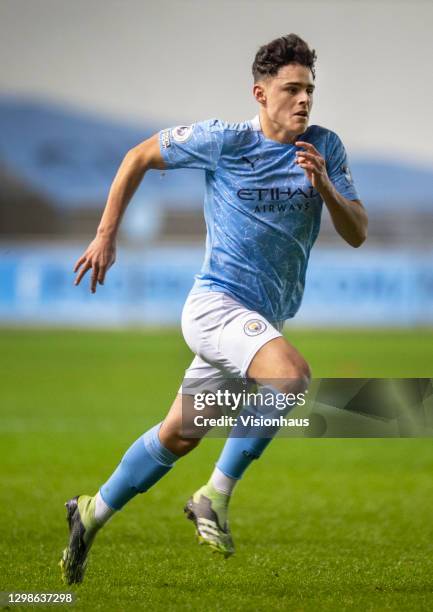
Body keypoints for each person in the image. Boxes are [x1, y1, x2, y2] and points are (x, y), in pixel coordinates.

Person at [60, 33, 367, 584]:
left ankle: (90, 512)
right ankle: (213, 496)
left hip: (258, 321)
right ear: (260, 93)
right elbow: (137, 157)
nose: (304, 101)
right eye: (292, 89)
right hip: (216, 306)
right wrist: (106, 236)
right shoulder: (224, 140)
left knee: (180, 433)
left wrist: (325, 186)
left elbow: (357, 232)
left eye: (310, 91)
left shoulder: (326, 148)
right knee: (291, 378)